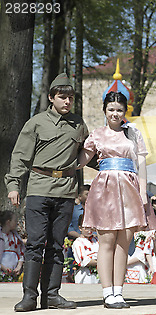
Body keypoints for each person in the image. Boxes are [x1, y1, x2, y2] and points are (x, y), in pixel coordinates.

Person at [5, 73, 86, 311]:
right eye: (62, 97)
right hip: (39, 189)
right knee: (35, 243)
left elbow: (89, 152)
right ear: (51, 98)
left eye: (70, 97)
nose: (67, 101)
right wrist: (13, 185)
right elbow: (20, 156)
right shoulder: (36, 123)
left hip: (66, 191)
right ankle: (29, 296)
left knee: (57, 244)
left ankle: (52, 295)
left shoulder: (79, 124)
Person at [78, 84, 149, 308]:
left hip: (129, 188)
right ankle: (107, 291)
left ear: (125, 111)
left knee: (124, 242)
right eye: (111, 109)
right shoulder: (97, 135)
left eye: (119, 109)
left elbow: (142, 162)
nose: (115, 114)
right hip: (105, 190)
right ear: (105, 111)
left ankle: (119, 291)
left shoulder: (133, 132)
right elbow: (81, 160)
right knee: (106, 241)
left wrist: (144, 192)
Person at [71, 215, 99, 284]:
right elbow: (83, 261)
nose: (89, 231)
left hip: (98, 276)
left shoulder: (97, 240)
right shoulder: (78, 243)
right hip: (85, 276)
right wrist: (102, 262)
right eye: (86, 228)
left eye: (91, 227)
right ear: (80, 228)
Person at [0, 211, 25, 282]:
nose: (17, 223)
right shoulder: (1, 237)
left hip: (14, 272)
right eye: (15, 220)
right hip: (2, 271)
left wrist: (19, 267)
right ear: (8, 222)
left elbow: (21, 253)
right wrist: (3, 267)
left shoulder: (15, 237)